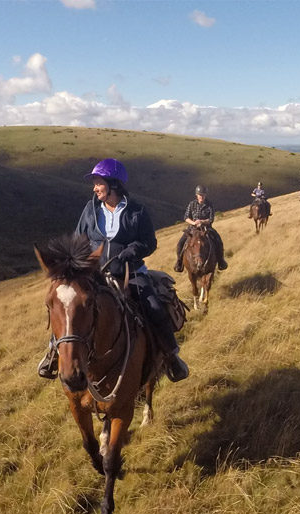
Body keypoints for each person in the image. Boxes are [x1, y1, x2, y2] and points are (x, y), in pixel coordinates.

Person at [37, 158, 189, 383]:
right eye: (95, 183)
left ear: (113, 184)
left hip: (131, 273)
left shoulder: (137, 211)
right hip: (94, 275)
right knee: (69, 306)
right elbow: (79, 239)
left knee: (154, 306)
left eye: (99, 183)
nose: (95, 188)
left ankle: (171, 356)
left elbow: (149, 242)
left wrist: (134, 249)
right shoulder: (90, 210)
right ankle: (53, 353)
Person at [173, 185, 228, 273]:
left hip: (206, 228)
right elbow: (186, 217)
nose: (201, 197)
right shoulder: (192, 204)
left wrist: (201, 221)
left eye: (203, 195)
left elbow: (211, 219)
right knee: (180, 244)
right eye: (199, 195)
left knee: (218, 240)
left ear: (205, 195)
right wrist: (194, 223)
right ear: (196, 195)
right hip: (192, 228)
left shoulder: (209, 205)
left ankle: (221, 261)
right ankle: (179, 263)